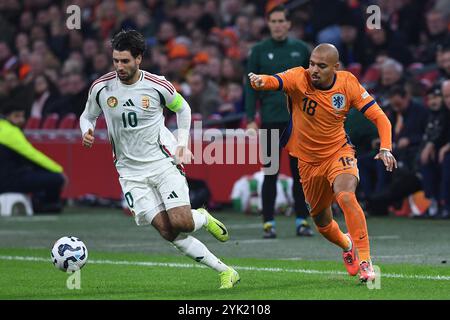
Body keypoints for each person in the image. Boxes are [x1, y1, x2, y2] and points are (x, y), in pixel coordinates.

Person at [79, 30, 239, 289]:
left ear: (139, 59)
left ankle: (203, 218)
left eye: (125, 61)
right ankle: (225, 271)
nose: (119, 66)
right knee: (168, 231)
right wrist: (85, 130)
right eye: (116, 60)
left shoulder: (156, 85)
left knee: (182, 223)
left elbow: (183, 108)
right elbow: (87, 116)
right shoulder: (101, 87)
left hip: (162, 162)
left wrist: (182, 144)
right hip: (129, 172)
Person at [248, 43, 397, 282]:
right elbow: (275, 81)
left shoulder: (347, 83)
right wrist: (260, 80)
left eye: (321, 66)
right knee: (322, 223)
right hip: (307, 162)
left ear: (335, 68)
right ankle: (347, 244)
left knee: (346, 196)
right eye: (312, 63)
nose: (314, 70)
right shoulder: (299, 77)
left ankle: (367, 262)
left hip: (338, 151)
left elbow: (380, 117)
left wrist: (386, 147)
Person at [244, 4, 313, 239]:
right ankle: (268, 223)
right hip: (271, 121)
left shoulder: (301, 50)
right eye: (273, 21)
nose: (277, 25)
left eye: (281, 21)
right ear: (268, 24)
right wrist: (250, 118)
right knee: (270, 173)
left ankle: (302, 221)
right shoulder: (259, 51)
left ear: (289, 23)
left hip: (297, 122)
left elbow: (313, 85)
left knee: (300, 174)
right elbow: (250, 87)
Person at [0, 101, 66, 213]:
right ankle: (48, 205)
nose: (21, 120)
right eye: (16, 116)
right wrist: (59, 171)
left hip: (7, 178)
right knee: (56, 178)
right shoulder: (9, 132)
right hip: (8, 182)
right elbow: (32, 156)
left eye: (22, 116)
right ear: (7, 116)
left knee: (34, 172)